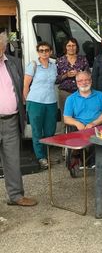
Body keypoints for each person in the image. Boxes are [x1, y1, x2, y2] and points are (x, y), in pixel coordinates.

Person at [0, 32, 37, 206]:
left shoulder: (13, 63)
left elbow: (20, 88)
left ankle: (16, 196)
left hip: (11, 120)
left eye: (0, 44)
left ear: (5, 46)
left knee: (13, 160)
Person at [23, 41, 58, 170]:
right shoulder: (33, 65)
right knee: (37, 131)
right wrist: (26, 103)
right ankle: (41, 157)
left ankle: (46, 154)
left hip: (51, 102)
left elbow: (57, 80)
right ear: (38, 52)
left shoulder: (54, 65)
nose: (44, 53)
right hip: (35, 102)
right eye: (41, 50)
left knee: (50, 131)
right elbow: (26, 85)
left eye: (47, 50)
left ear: (51, 52)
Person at [56, 38, 89, 131]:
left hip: (80, 93)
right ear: (65, 47)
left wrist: (79, 74)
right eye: (69, 45)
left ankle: (79, 140)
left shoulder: (82, 59)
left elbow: (88, 75)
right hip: (65, 93)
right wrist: (66, 75)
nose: (71, 48)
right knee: (66, 118)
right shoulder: (60, 61)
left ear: (77, 47)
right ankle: (65, 143)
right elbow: (55, 79)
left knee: (81, 116)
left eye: (73, 45)